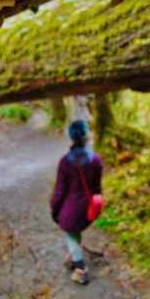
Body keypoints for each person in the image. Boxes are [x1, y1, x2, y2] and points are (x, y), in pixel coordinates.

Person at [50, 119, 103, 285]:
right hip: (88, 208)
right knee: (75, 230)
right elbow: (97, 188)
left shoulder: (65, 162)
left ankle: (80, 269)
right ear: (86, 136)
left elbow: (60, 191)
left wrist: (54, 208)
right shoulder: (96, 160)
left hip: (72, 208)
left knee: (71, 235)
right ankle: (74, 256)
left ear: (71, 138)